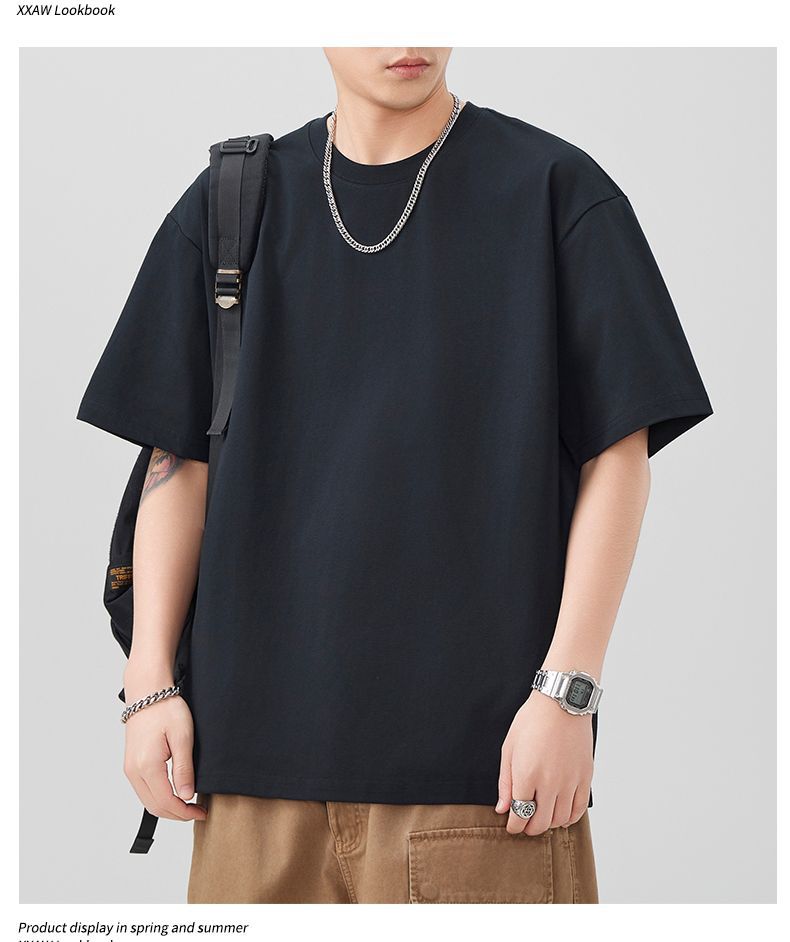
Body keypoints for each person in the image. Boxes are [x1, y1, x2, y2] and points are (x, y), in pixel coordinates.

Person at [77, 47, 713, 904]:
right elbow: (177, 460)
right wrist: (148, 686)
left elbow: (620, 453)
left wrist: (567, 695)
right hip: (248, 786)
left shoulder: (553, 191)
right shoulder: (232, 202)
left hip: (484, 780)